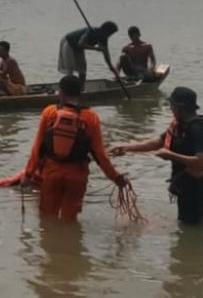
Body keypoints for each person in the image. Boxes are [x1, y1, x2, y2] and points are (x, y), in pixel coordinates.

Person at [24, 75, 126, 220]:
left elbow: (37, 148)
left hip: (52, 173)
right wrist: (115, 177)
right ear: (80, 93)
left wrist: (28, 175)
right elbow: (99, 155)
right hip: (77, 175)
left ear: (61, 92)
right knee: (69, 220)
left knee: (47, 219)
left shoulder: (49, 113)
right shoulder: (91, 117)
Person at [112, 86, 203, 225]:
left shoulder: (197, 129)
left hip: (195, 188)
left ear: (180, 107)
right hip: (185, 183)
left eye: (172, 105)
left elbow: (202, 161)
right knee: (186, 227)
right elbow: (157, 142)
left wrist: (171, 155)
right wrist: (127, 148)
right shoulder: (179, 125)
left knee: (191, 225)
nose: (170, 108)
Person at [58, 21, 118, 86]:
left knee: (83, 69)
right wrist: (95, 48)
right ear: (105, 31)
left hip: (79, 48)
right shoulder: (91, 31)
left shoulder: (104, 38)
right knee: (70, 68)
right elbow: (80, 44)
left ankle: (81, 87)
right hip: (69, 43)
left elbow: (106, 55)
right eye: (110, 33)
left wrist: (112, 68)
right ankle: (69, 87)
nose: (109, 36)